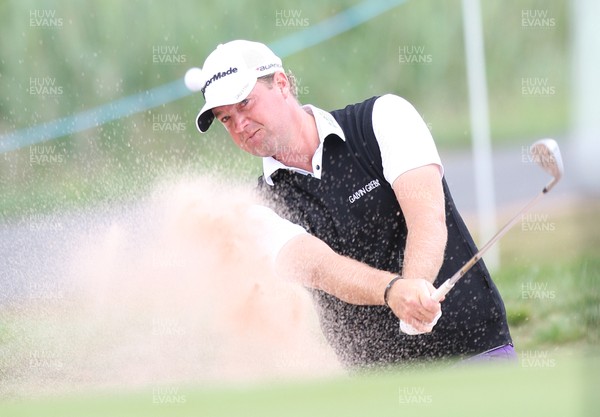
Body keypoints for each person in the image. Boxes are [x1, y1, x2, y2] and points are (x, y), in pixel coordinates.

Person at [192, 39, 515, 368]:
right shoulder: (254, 207)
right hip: (378, 384)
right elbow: (319, 268)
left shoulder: (383, 118)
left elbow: (427, 217)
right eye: (226, 119)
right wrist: (394, 291)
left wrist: (415, 288)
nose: (240, 125)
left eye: (245, 103)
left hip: (475, 348)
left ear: (281, 83)